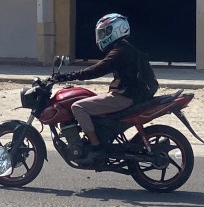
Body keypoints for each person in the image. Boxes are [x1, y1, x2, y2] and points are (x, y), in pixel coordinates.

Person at [54, 12, 157, 161]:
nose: (102, 36)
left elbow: (97, 70)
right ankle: (96, 137)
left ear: (116, 30)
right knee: (89, 100)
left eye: (105, 32)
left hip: (124, 97)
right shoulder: (125, 48)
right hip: (130, 94)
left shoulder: (119, 52)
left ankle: (96, 146)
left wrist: (68, 76)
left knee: (77, 107)